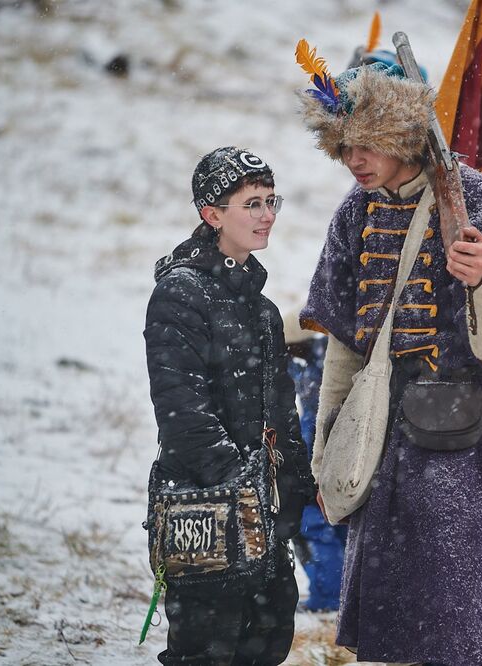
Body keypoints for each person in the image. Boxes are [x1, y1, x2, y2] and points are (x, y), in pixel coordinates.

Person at [296, 56, 482, 665]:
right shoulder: (354, 214)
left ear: (401, 134)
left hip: (463, 436)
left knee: (464, 618)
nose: (353, 160)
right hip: (379, 437)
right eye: (343, 146)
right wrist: (329, 439)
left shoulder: (477, 203)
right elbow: (344, 342)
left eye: (365, 144)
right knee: (393, 618)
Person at [143, 147, 313, 665]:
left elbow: (281, 409)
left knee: (265, 643)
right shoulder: (179, 294)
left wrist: (295, 487)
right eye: (252, 204)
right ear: (211, 213)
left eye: (271, 201)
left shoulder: (262, 309)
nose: (267, 215)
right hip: (205, 511)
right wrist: (238, 488)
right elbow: (180, 413)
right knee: (204, 652)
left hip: (263, 515)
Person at [283, 311, 348, 613]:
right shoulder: (331, 356)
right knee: (341, 527)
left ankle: (328, 597)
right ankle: (345, 596)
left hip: (319, 459)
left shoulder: (312, 369)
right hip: (346, 460)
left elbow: (314, 424)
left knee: (312, 525)